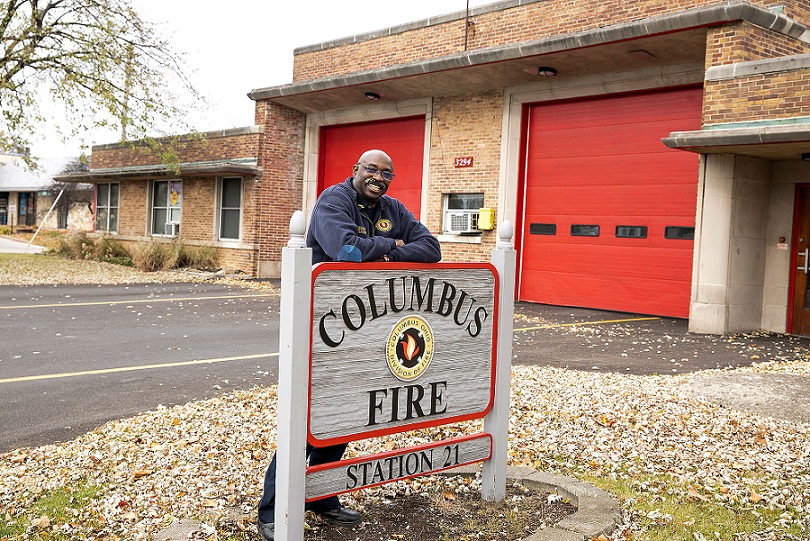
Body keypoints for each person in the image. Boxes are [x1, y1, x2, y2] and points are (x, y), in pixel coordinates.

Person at [257, 149, 442, 540]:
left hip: (364, 324)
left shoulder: (393, 206)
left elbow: (431, 249)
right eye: (372, 169)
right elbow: (346, 251)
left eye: (386, 172)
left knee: (347, 411)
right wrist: (392, 246)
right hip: (322, 324)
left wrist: (385, 251)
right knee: (307, 416)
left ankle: (321, 498)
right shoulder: (333, 200)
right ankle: (273, 509)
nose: (379, 176)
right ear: (355, 170)